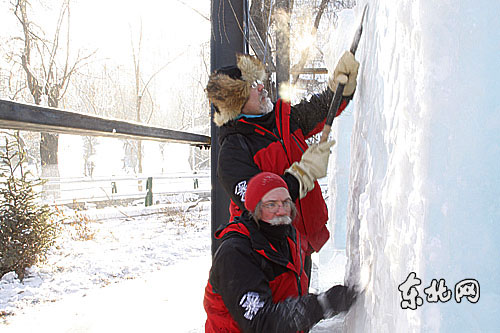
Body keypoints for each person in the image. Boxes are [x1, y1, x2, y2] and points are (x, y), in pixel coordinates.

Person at [206, 51, 360, 277]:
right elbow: (262, 204)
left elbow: (320, 110)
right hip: (268, 256)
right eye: (251, 86)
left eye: (258, 82)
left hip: (299, 244)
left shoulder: (282, 119)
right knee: (284, 310)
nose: (261, 87)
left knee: (299, 302)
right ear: (236, 102)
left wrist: (340, 89)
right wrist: (303, 174)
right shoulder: (233, 152)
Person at [204, 172, 356, 332]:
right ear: (254, 208)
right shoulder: (236, 253)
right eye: (271, 204)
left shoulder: (287, 238)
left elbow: (285, 295)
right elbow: (260, 322)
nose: (281, 210)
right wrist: (322, 304)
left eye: (286, 202)